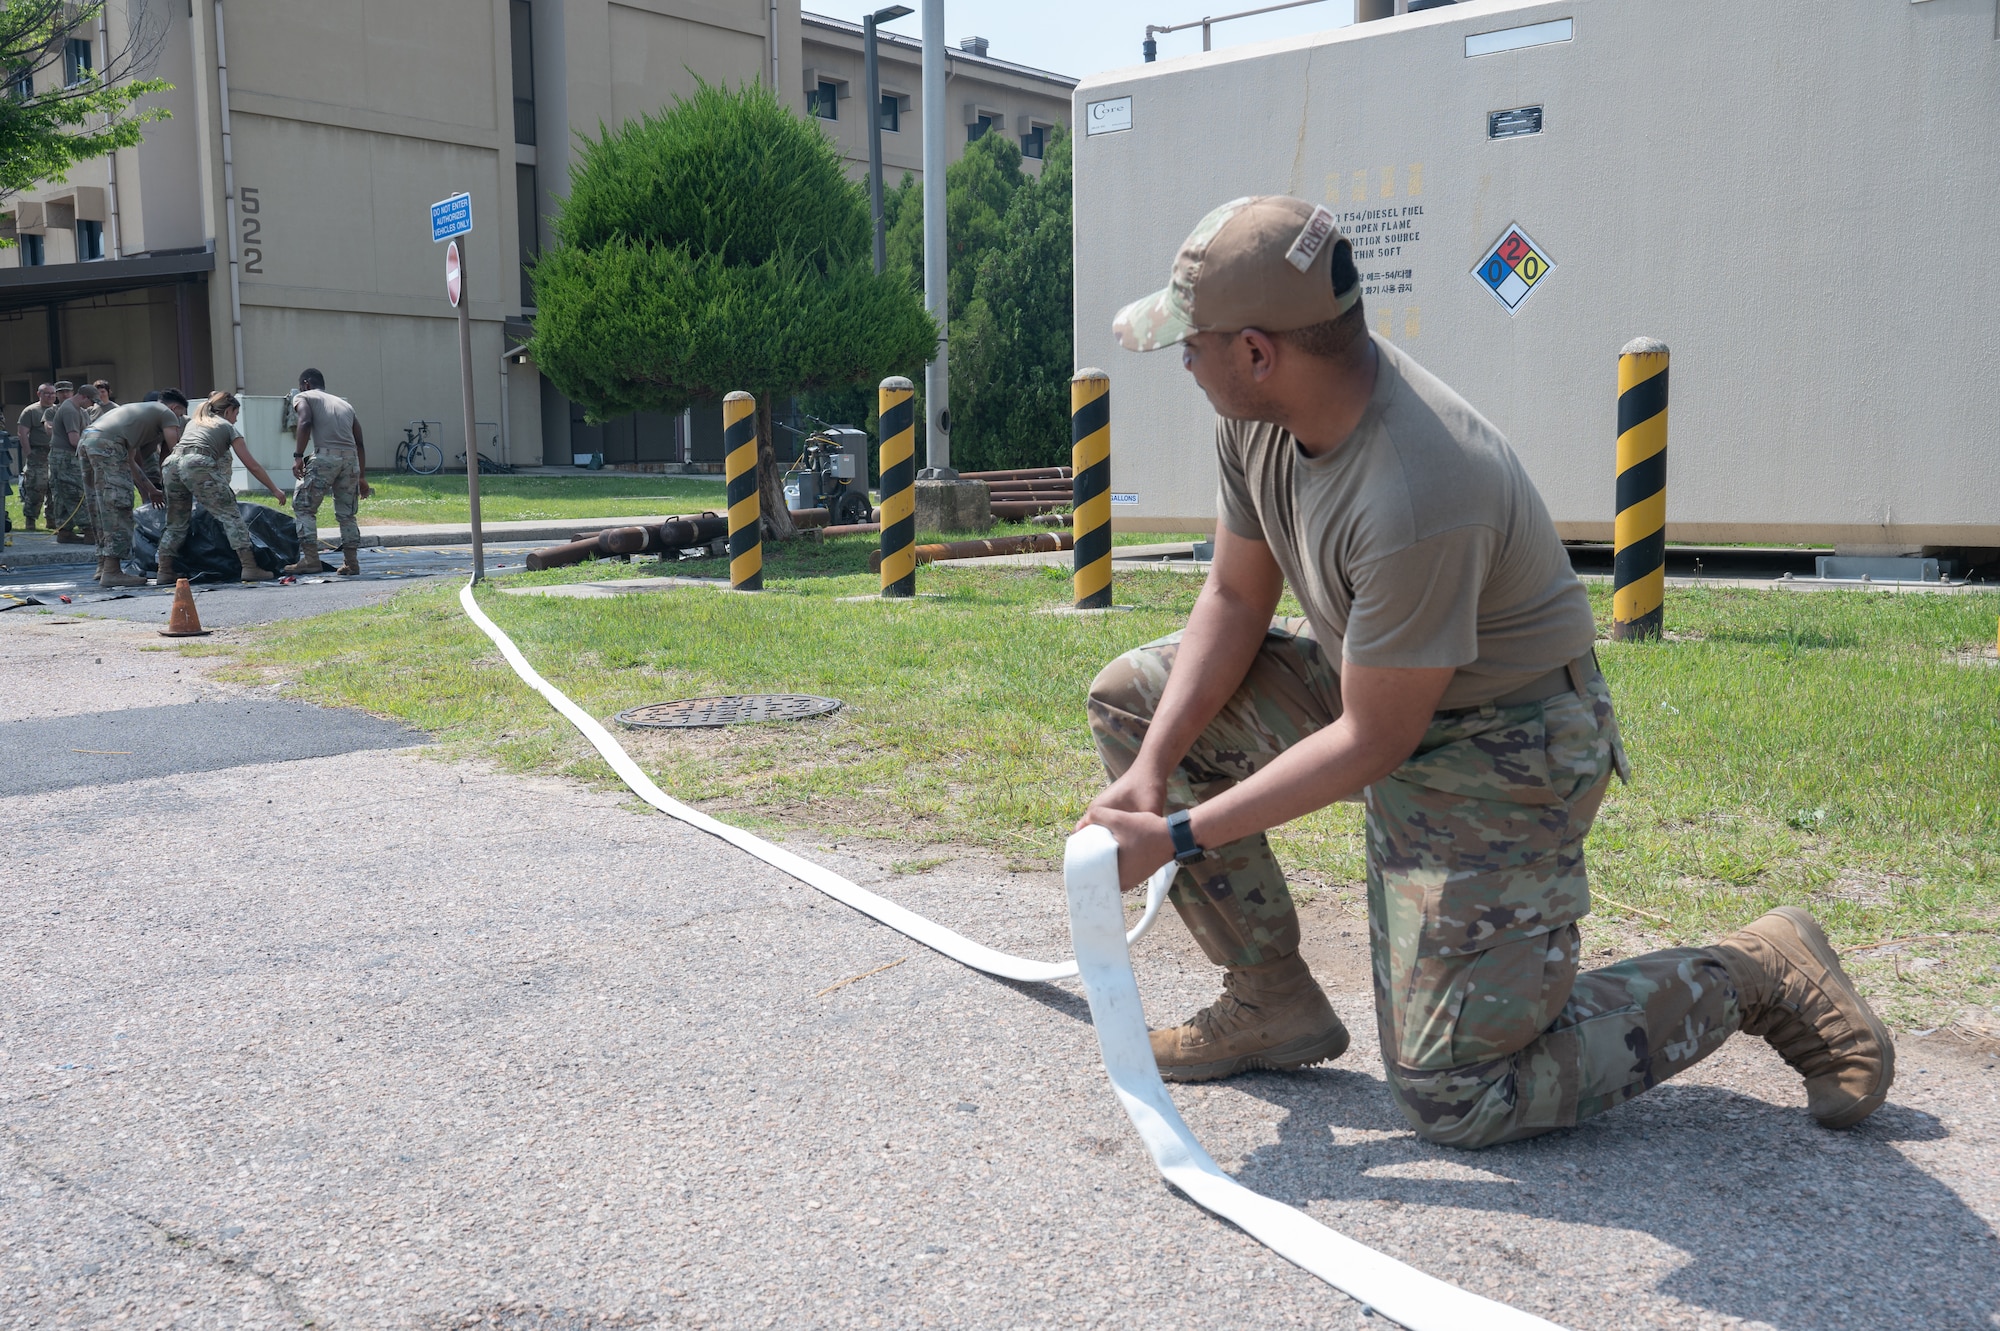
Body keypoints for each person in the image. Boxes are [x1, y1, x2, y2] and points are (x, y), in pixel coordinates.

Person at [1077, 195, 1892, 1148]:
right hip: (1377, 688)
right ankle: (1272, 1003)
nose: (1181, 358)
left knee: (1460, 1094)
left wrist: (1174, 834)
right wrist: (1151, 768)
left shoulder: (1421, 486)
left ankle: (1754, 970)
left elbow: (1376, 743)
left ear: (1258, 352)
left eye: (1193, 340)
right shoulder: (1258, 415)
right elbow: (1233, 598)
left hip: (1506, 741)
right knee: (1136, 703)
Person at [157, 390, 287, 584]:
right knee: (231, 516)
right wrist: (275, 489)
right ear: (228, 411)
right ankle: (250, 567)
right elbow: (251, 464)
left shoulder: (195, 422)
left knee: (176, 521)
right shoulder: (226, 426)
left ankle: (164, 570)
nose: (236, 419)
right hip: (196, 463)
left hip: (171, 464)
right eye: (236, 414)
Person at [79, 391, 178, 587]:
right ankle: (112, 571)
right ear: (176, 408)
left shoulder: (136, 419)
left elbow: (130, 461)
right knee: (118, 505)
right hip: (107, 445)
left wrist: (151, 489)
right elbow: (175, 450)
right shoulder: (168, 413)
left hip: (88, 439)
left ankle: (102, 565)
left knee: (100, 506)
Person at [286, 367, 371, 575]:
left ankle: (311, 560)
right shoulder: (345, 404)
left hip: (325, 457)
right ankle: (352, 563)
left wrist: (298, 456)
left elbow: (304, 422)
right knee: (347, 514)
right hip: (350, 460)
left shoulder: (304, 397)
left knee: (304, 507)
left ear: (305, 384)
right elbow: (359, 442)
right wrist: (361, 476)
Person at [47, 382, 96, 544]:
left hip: (67, 456)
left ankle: (65, 531)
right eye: (91, 401)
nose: (92, 404)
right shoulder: (69, 410)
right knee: (73, 491)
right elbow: (74, 440)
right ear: (83, 397)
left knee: (62, 494)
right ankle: (88, 530)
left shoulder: (80, 411)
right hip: (65, 458)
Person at [15, 383, 57, 531]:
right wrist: (29, 453)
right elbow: (22, 433)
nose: (51, 396)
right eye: (47, 393)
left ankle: (52, 520)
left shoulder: (57, 410)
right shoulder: (31, 411)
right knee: (36, 487)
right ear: (39, 394)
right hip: (37, 453)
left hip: (55, 453)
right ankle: (30, 519)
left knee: (54, 487)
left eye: (53, 393)